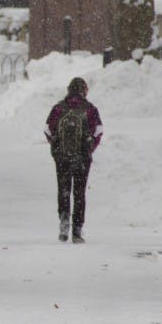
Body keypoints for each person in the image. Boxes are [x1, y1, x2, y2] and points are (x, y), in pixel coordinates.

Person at [44, 77, 103, 243]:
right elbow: (98, 131)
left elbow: (48, 129)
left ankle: (63, 223)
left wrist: (56, 147)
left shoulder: (58, 108)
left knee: (63, 189)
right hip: (82, 158)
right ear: (84, 90)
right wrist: (89, 148)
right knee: (79, 192)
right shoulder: (90, 109)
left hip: (62, 157)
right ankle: (77, 230)